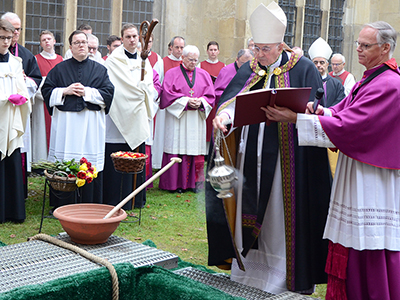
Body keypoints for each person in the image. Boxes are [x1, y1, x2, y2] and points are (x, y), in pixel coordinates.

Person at [263, 20, 400, 300]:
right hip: (358, 170)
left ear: (386, 48)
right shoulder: (371, 77)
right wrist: (320, 110)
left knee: (368, 243)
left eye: (365, 45)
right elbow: (344, 112)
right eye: (358, 44)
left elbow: (351, 127)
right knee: (352, 238)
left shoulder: (389, 84)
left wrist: (296, 118)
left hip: (372, 178)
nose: (358, 50)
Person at [207, 2, 332, 294]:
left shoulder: (302, 68)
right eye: (256, 47)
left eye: (264, 49)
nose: (258, 54)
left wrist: (295, 114)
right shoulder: (250, 67)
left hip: (287, 162)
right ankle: (246, 273)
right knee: (246, 211)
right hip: (249, 151)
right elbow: (231, 100)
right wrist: (223, 117)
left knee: (278, 216)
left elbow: (316, 107)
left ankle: (281, 277)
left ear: (280, 46)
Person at [42, 30, 114, 207]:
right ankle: (62, 203)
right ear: (70, 46)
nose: (81, 45)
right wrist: (64, 91)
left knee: (89, 160)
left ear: (89, 46)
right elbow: (46, 91)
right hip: (67, 124)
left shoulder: (100, 69)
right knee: (65, 157)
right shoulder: (59, 69)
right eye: (77, 43)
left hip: (90, 125)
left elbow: (109, 93)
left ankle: (90, 202)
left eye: (84, 42)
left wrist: (88, 92)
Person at [103, 23, 154, 209]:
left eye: (135, 36)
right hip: (120, 116)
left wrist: (145, 91)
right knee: (117, 158)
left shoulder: (144, 59)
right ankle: (115, 199)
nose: (132, 40)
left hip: (138, 113)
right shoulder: (114, 60)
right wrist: (137, 93)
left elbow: (149, 83)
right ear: (122, 39)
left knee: (136, 159)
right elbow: (117, 88)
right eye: (128, 37)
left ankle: (135, 200)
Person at [159, 45, 215, 193]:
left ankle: (193, 184)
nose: (193, 63)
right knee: (177, 148)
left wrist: (201, 102)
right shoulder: (171, 73)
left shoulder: (204, 74)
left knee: (194, 149)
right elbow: (167, 95)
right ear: (182, 58)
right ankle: (174, 184)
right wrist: (186, 101)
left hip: (196, 118)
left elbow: (210, 96)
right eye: (190, 60)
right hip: (179, 118)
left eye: (196, 60)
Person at [1, 12, 42, 198]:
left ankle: (14, 205)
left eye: (15, 32)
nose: (8, 40)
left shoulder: (22, 57)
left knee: (13, 154)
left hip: (13, 114)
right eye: (4, 37)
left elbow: (35, 80)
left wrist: (23, 92)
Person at [0, 19, 30, 223]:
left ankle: (13, 211)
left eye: (8, 38)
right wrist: (4, 99)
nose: (5, 42)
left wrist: (22, 96)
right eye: (1, 38)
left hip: (11, 118)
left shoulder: (15, 62)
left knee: (11, 159)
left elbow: (22, 87)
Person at [152, 36, 185, 170]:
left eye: (182, 47)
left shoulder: (186, 62)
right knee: (162, 133)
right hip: (165, 106)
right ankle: (158, 162)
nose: (179, 50)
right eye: (176, 47)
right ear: (170, 48)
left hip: (181, 106)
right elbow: (156, 82)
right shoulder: (161, 62)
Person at [34, 30, 63, 162]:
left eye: (49, 39)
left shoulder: (61, 60)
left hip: (57, 101)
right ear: (41, 44)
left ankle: (55, 159)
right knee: (41, 131)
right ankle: (41, 160)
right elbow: (35, 82)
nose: (47, 41)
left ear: (54, 41)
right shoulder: (36, 59)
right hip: (42, 101)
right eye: (44, 40)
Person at [309, 37, 345, 107]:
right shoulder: (307, 81)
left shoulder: (336, 84)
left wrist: (327, 112)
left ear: (327, 65)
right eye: (315, 63)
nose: (318, 65)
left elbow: (340, 102)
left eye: (322, 62)